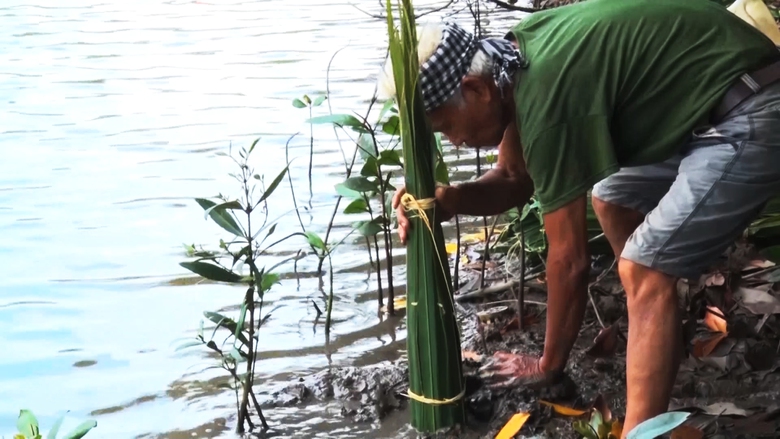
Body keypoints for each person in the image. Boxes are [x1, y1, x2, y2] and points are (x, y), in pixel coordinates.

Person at [378, 0, 780, 435]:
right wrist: (450, 199)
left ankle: (641, 430)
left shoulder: (548, 94)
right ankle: (658, 323)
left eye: (445, 128)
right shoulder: (514, 61)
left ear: (475, 90)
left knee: (644, 267)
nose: (453, 142)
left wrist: (547, 365)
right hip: (708, 107)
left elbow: (569, 262)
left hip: (755, 107)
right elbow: (515, 178)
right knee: (610, 197)